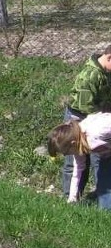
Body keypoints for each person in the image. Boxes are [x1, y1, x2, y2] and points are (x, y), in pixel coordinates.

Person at [61, 46, 111, 200]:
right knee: (74, 162)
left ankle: (101, 196)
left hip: (98, 118)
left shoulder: (106, 71)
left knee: (99, 162)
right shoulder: (89, 76)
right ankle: (71, 197)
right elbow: (86, 108)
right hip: (80, 118)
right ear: (109, 57)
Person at [48, 114, 111, 209]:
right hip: (107, 156)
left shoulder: (99, 130)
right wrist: (72, 198)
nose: (66, 155)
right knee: (105, 203)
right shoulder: (78, 143)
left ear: (72, 143)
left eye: (65, 152)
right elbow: (78, 171)